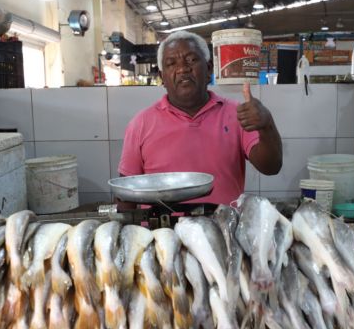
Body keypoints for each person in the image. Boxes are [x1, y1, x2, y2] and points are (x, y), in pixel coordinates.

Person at [118, 30, 283, 205]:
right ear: (162, 78)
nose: (183, 69)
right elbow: (126, 194)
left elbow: (271, 167)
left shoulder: (237, 113)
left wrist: (267, 125)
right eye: (171, 63)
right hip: (161, 231)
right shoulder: (141, 123)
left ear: (209, 69)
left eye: (192, 60)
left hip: (222, 228)